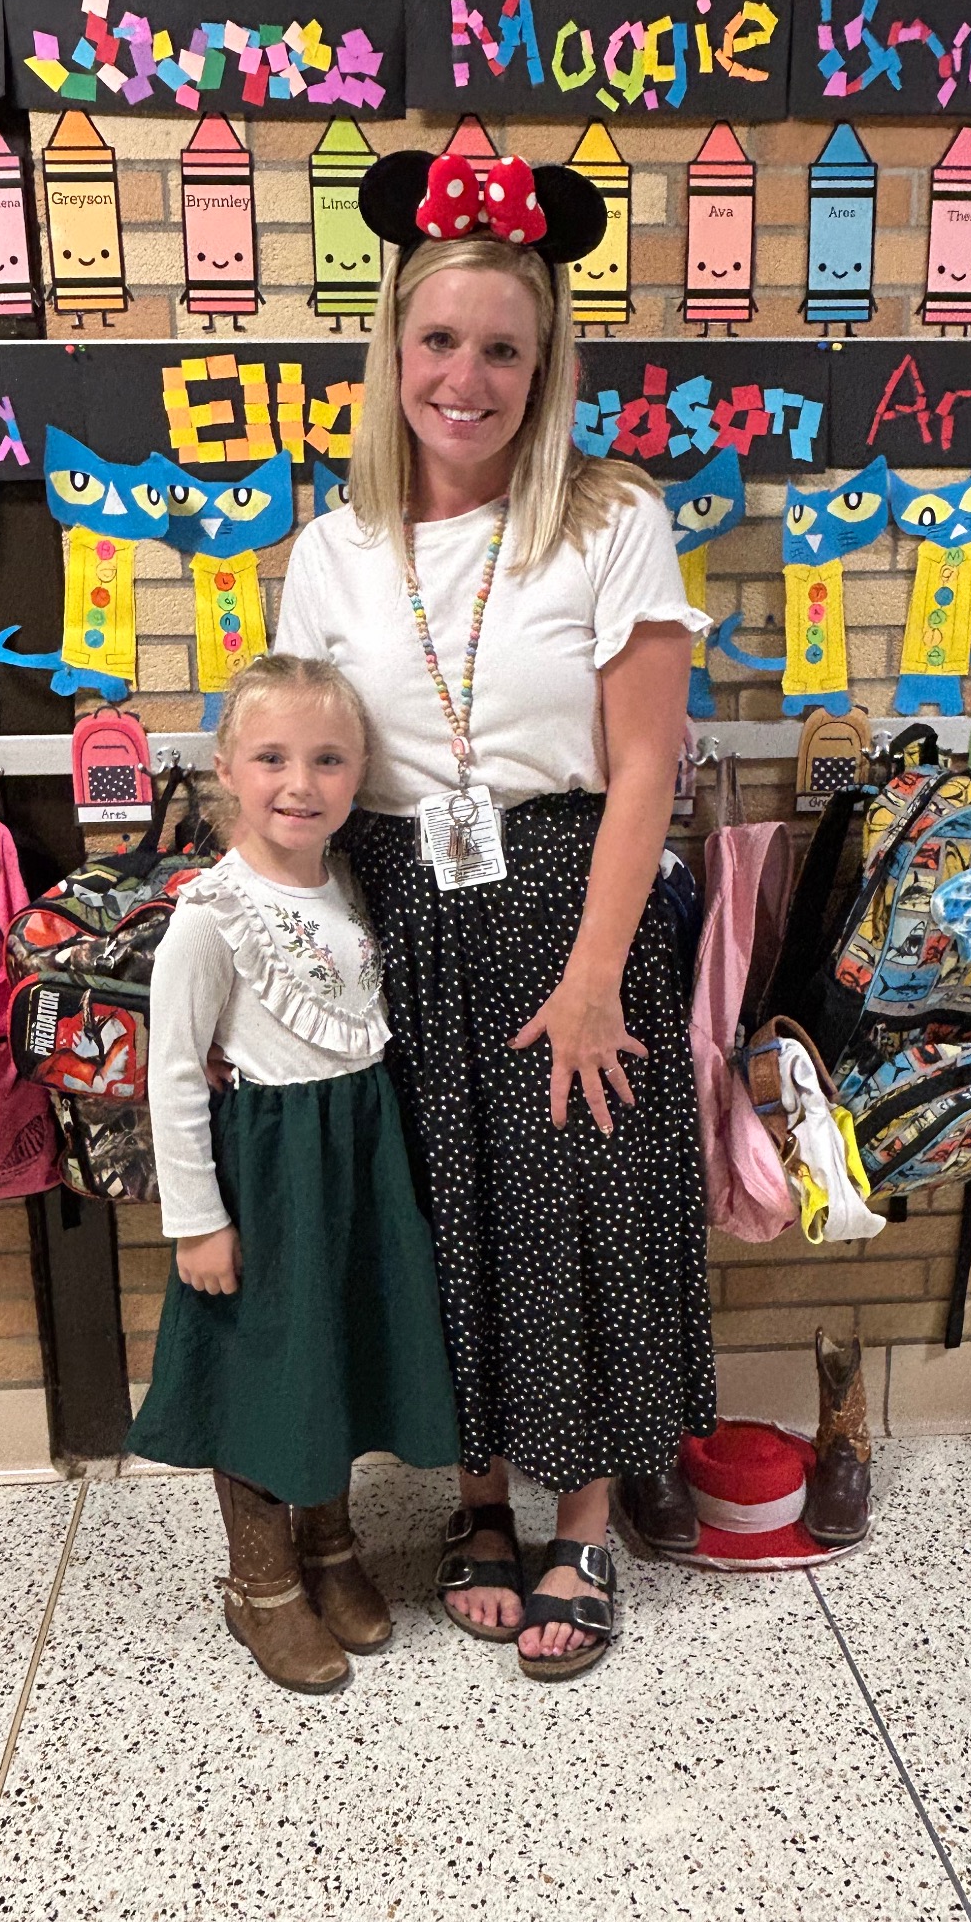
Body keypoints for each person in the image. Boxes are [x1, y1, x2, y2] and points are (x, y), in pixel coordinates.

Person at [274, 147, 717, 1683]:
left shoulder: (610, 519)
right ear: (394, 347)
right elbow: (304, 771)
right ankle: (477, 1500)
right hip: (397, 907)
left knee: (577, 1200)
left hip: (571, 900)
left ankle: (581, 1518)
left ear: (545, 367)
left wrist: (595, 975)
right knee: (444, 1211)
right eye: (440, 340)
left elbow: (647, 763)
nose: (466, 380)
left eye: (504, 351)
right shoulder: (330, 552)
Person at [127, 654, 459, 1695]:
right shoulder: (211, 913)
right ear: (227, 766)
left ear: (360, 774)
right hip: (270, 1171)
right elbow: (173, 1072)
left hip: (357, 1157)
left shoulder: (350, 882)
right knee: (266, 1372)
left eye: (327, 760)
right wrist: (197, 1220)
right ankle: (261, 1584)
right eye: (271, 757)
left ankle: (331, 1546)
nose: (299, 783)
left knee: (334, 1353)